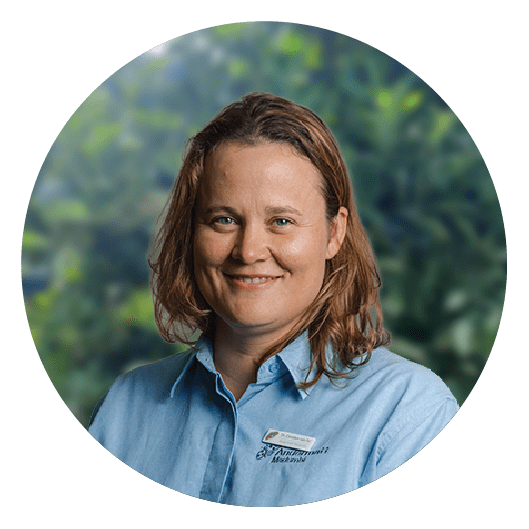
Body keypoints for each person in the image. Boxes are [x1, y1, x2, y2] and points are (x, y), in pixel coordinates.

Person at [88, 92, 459, 507]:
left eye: (281, 221)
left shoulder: (405, 412)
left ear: (334, 233)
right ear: (192, 233)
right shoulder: (126, 407)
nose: (248, 251)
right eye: (224, 220)